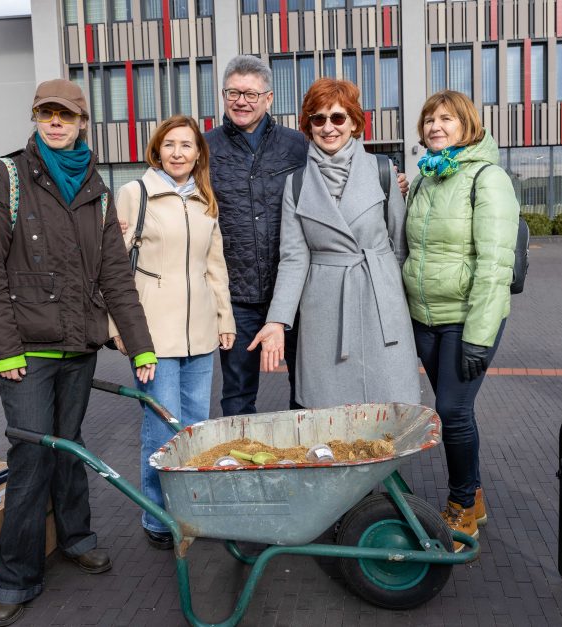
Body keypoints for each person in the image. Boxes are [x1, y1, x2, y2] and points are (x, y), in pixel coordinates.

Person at [0, 78, 157, 627]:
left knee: (71, 447)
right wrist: (3, 351)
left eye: (65, 115)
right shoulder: (6, 176)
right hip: (26, 352)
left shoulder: (94, 189)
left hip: (78, 348)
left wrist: (140, 347)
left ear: (81, 123)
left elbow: (116, 276)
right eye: (45, 113)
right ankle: (16, 576)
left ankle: (77, 538)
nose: (55, 122)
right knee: (31, 458)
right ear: (35, 119)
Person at [249, 78, 420, 410]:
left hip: (380, 302)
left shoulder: (383, 171)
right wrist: (277, 320)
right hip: (324, 308)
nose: (328, 127)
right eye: (318, 119)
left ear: (354, 122)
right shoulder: (296, 184)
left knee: (387, 408)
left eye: (338, 117)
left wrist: (401, 306)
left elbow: (401, 246)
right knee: (328, 411)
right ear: (309, 126)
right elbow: (293, 259)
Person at [109, 115, 236, 550]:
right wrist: (118, 329)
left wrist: (225, 320)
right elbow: (112, 269)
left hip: (200, 333)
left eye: (187, 145)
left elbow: (214, 267)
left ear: (199, 152)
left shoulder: (205, 200)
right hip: (153, 336)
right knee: (161, 429)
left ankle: (191, 509)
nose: (178, 152)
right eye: (170, 145)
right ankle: (158, 518)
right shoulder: (134, 194)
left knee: (195, 426)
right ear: (157, 150)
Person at [402, 90, 519, 551]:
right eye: (429, 118)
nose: (434, 126)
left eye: (445, 119)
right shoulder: (428, 176)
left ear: (467, 124)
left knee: (451, 410)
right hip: (425, 317)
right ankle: (475, 493)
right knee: (456, 410)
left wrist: (479, 337)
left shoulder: (487, 179)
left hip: (467, 320)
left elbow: (495, 266)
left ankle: (461, 505)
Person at [204, 55, 308, 416]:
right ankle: (239, 470)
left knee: (306, 389)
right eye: (233, 92)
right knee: (236, 393)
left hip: (293, 293)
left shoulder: (298, 146)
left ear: (268, 98)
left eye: (250, 93)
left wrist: (390, 180)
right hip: (237, 296)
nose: (241, 101)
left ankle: (304, 465)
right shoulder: (205, 148)